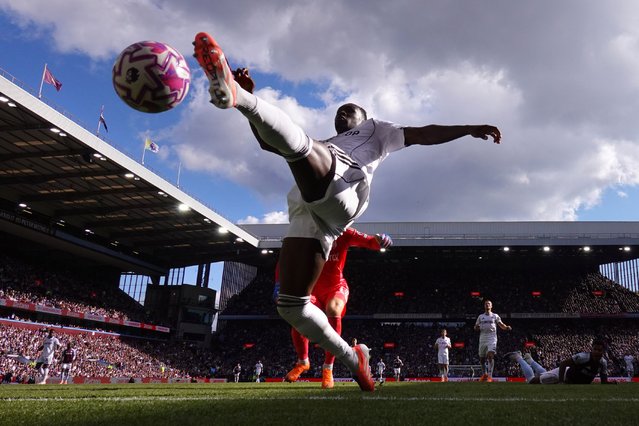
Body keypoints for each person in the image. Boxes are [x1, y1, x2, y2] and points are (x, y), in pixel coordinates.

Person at [193, 32, 501, 392]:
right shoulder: (327, 142)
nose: (342, 111)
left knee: (303, 149)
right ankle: (353, 360)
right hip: (310, 212)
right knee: (292, 306)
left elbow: (423, 133)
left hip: (346, 186)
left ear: (364, 117)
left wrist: (468, 129)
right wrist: (251, 108)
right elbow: (268, 143)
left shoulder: (377, 130)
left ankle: (238, 96)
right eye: (340, 111)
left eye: (349, 109)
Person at [277, 228, 393, 389]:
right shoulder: (305, 230)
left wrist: (381, 240)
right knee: (299, 313)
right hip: (311, 289)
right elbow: (286, 259)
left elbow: (370, 242)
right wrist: (278, 283)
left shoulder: (344, 232)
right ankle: (303, 362)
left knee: (333, 309)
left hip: (336, 287)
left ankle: (328, 368)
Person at [505, 340, 616, 384]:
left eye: (599, 350)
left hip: (569, 378)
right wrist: (562, 382)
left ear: (604, 351)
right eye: (595, 349)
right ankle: (518, 357)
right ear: (591, 349)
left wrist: (610, 383)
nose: (597, 352)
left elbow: (604, 381)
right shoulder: (583, 357)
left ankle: (530, 360)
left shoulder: (603, 363)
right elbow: (563, 364)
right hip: (562, 375)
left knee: (545, 373)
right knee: (532, 381)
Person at [474, 299, 511, 382]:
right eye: (486, 304)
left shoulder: (495, 316)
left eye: (489, 304)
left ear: (491, 306)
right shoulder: (480, 317)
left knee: (490, 355)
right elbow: (476, 327)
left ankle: (490, 376)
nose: (487, 305)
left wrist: (506, 327)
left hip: (492, 338)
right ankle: (484, 374)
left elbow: (501, 324)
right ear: (484, 306)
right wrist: (476, 327)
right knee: (481, 359)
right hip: (482, 338)